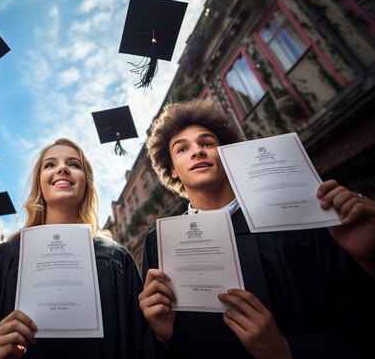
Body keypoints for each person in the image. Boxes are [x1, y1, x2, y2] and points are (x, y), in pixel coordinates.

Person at [139, 99, 373, 359]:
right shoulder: (159, 242)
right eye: (182, 149)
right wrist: (164, 337)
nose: (197, 152)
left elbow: (353, 320)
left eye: (207, 143)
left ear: (227, 155)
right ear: (172, 171)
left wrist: (286, 351)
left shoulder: (291, 220)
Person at [0, 138, 148, 359]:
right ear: (39, 183)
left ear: (86, 182)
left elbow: (139, 344)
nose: (62, 168)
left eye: (74, 164)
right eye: (50, 165)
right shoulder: (6, 257)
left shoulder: (115, 258)